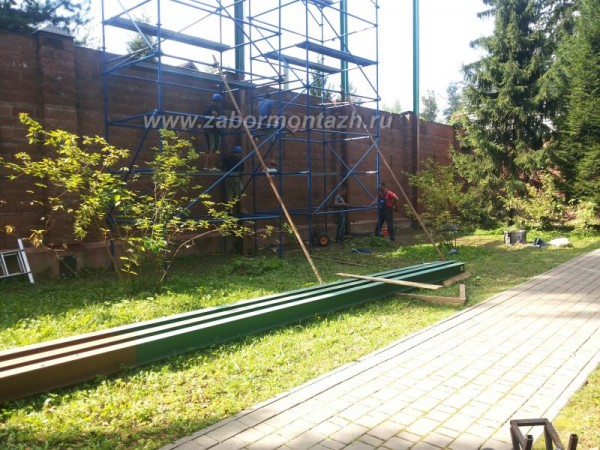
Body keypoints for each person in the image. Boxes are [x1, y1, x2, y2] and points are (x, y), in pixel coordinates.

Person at [221, 145, 246, 214]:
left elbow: (221, 162)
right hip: (236, 177)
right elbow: (242, 171)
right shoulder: (239, 160)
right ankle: (242, 209)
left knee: (229, 194)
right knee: (241, 194)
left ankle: (230, 210)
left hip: (228, 177)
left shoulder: (228, 158)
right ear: (239, 153)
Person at [202, 92, 224, 171]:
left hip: (207, 129)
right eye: (219, 102)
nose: (219, 104)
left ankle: (206, 166)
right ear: (217, 101)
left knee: (209, 149)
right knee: (213, 149)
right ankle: (212, 167)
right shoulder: (213, 107)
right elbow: (215, 116)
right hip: (213, 130)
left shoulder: (208, 107)